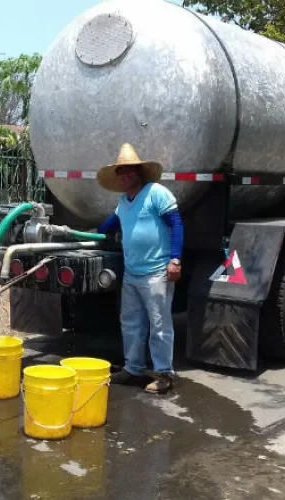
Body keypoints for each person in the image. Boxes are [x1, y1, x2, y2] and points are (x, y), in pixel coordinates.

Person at [96, 143, 184, 394]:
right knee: (131, 323)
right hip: (132, 273)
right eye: (121, 171)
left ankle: (164, 375)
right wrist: (92, 233)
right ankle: (133, 368)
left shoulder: (156, 193)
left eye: (130, 170)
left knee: (159, 325)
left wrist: (175, 259)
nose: (126, 175)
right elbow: (110, 224)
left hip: (157, 272)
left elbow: (176, 225)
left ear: (139, 172)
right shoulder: (124, 202)